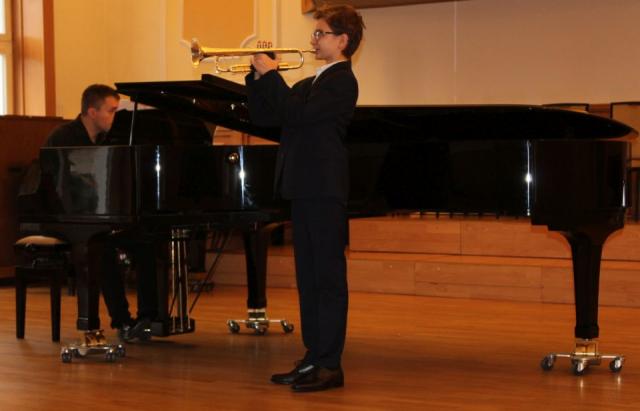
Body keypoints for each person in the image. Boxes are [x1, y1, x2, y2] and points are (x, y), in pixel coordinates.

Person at [245, 5, 365, 392]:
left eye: (320, 33)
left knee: (328, 279)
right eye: (314, 33)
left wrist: (273, 75)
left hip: (324, 190)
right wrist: (257, 75)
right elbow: (265, 116)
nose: (313, 40)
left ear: (342, 40)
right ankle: (314, 356)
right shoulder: (310, 83)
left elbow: (298, 115)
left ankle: (330, 364)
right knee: (308, 278)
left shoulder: (342, 81)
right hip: (304, 188)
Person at [45, 84, 158, 341]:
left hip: (98, 217)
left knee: (145, 242)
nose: (115, 117)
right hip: (65, 217)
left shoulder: (108, 139)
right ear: (92, 112)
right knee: (102, 249)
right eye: (111, 110)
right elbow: (55, 187)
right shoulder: (62, 138)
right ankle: (122, 321)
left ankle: (147, 318)